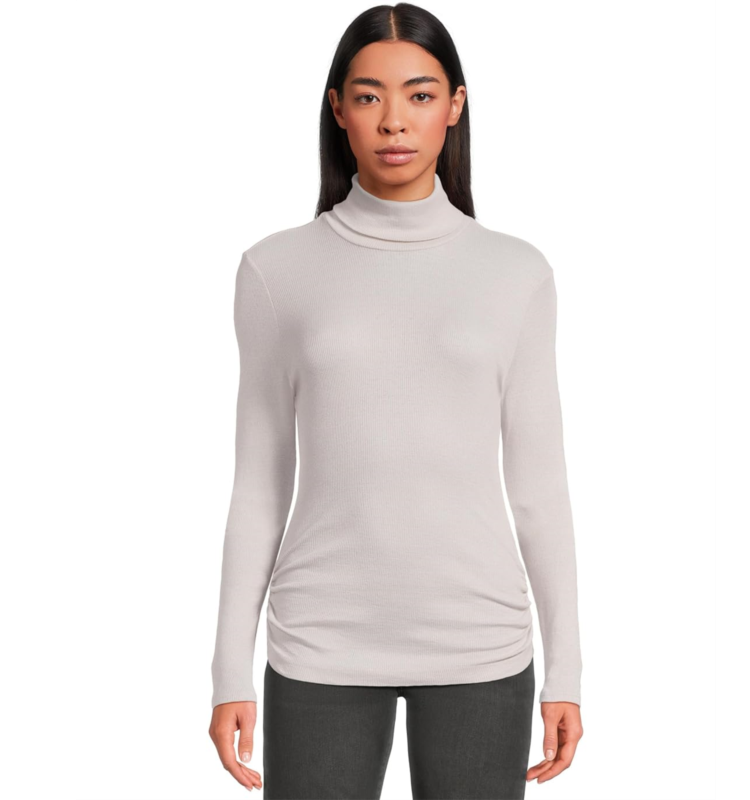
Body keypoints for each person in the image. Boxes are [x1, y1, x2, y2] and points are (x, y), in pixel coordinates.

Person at [208, 3, 584, 797]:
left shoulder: (516, 274)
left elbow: (541, 487)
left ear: (455, 105)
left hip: (479, 644)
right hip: (321, 644)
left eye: (419, 94)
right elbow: (258, 484)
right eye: (369, 96)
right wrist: (227, 672)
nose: (393, 121)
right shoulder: (276, 270)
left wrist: (568, 672)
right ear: (338, 109)